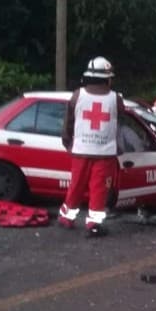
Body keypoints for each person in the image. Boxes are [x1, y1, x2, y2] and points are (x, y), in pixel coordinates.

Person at [58, 56, 127, 237]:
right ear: (107, 78)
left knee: (76, 185)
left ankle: (66, 217)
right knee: (99, 189)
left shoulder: (77, 95)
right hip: (105, 153)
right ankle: (94, 224)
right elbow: (122, 119)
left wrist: (68, 142)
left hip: (80, 150)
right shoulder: (116, 99)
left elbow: (68, 123)